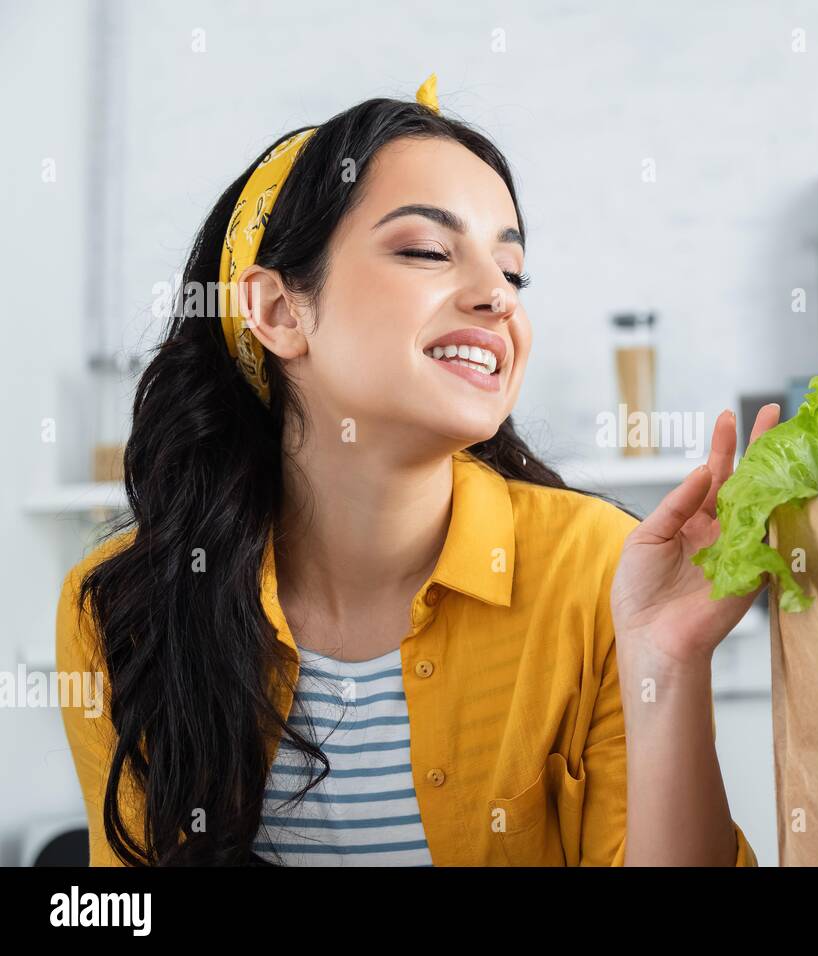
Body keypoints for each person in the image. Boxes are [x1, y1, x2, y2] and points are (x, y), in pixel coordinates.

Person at [56, 72, 777, 866]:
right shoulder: (126, 607)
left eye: (512, 271)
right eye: (429, 250)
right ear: (277, 312)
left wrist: (666, 667)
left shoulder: (602, 569)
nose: (497, 297)